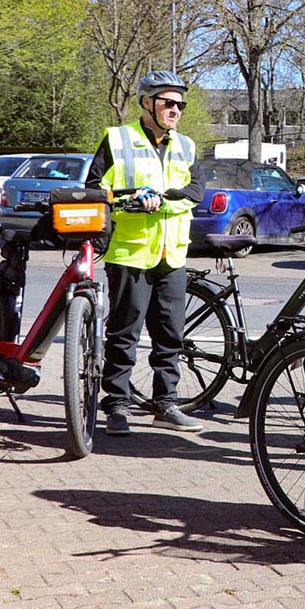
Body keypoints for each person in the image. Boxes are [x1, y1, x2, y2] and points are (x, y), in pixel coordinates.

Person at [88, 70, 206, 436]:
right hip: (130, 254)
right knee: (124, 334)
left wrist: (166, 200)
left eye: (180, 105)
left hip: (172, 256)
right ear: (146, 103)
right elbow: (95, 191)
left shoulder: (185, 145)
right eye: (168, 103)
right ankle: (116, 407)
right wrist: (130, 200)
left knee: (170, 334)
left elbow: (196, 189)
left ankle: (165, 404)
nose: (175, 110)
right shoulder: (117, 140)